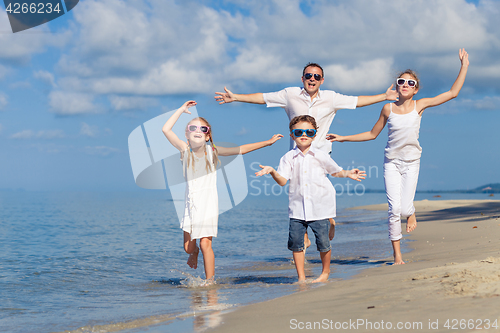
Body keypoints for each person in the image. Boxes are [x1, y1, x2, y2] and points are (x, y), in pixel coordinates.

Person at [215, 63, 398, 241]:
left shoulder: (331, 97)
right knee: (297, 193)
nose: (312, 79)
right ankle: (305, 234)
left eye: (316, 76)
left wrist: (384, 96)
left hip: (321, 154)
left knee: (319, 190)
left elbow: (357, 102)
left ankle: (328, 220)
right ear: (302, 78)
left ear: (322, 80)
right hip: (296, 154)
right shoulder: (289, 94)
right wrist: (237, 97)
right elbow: (263, 98)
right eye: (308, 76)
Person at [327, 49, 469, 265]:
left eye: (410, 83)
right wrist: (343, 138)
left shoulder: (419, 106)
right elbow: (372, 134)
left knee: (403, 208)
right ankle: (398, 256)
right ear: (396, 85)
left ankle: (410, 212)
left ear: (416, 89)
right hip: (391, 163)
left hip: (412, 163)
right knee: (393, 210)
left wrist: (464, 66)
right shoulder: (388, 108)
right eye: (401, 81)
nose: (405, 85)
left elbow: (452, 93)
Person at [162, 100, 283, 282]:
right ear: (186, 134)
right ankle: (193, 253)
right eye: (192, 128)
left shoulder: (213, 152)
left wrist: (267, 142)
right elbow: (166, 130)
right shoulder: (184, 150)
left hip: (208, 205)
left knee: (206, 243)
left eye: (203, 129)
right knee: (188, 247)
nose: (197, 131)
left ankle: (210, 281)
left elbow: (241, 150)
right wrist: (180, 110)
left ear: (208, 136)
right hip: (190, 204)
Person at [255, 115, 366, 283]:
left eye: (309, 132)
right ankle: (301, 277)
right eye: (298, 132)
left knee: (323, 243)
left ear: (314, 135)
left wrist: (348, 173)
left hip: (320, 207)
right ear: (292, 135)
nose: (304, 135)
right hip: (297, 209)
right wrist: (272, 171)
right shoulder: (287, 158)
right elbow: (283, 181)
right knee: (296, 244)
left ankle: (325, 273)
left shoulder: (320, 155)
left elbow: (335, 171)